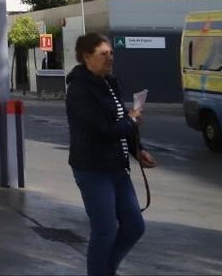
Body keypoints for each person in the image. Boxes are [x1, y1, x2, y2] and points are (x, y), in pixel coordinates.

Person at [66, 33, 157, 276]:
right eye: (103, 54)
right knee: (104, 231)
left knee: (134, 226)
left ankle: (106, 270)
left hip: (117, 167)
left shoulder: (110, 83)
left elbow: (120, 122)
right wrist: (131, 120)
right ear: (87, 57)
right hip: (93, 169)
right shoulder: (79, 89)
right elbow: (102, 130)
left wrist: (138, 150)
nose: (110, 58)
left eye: (111, 53)